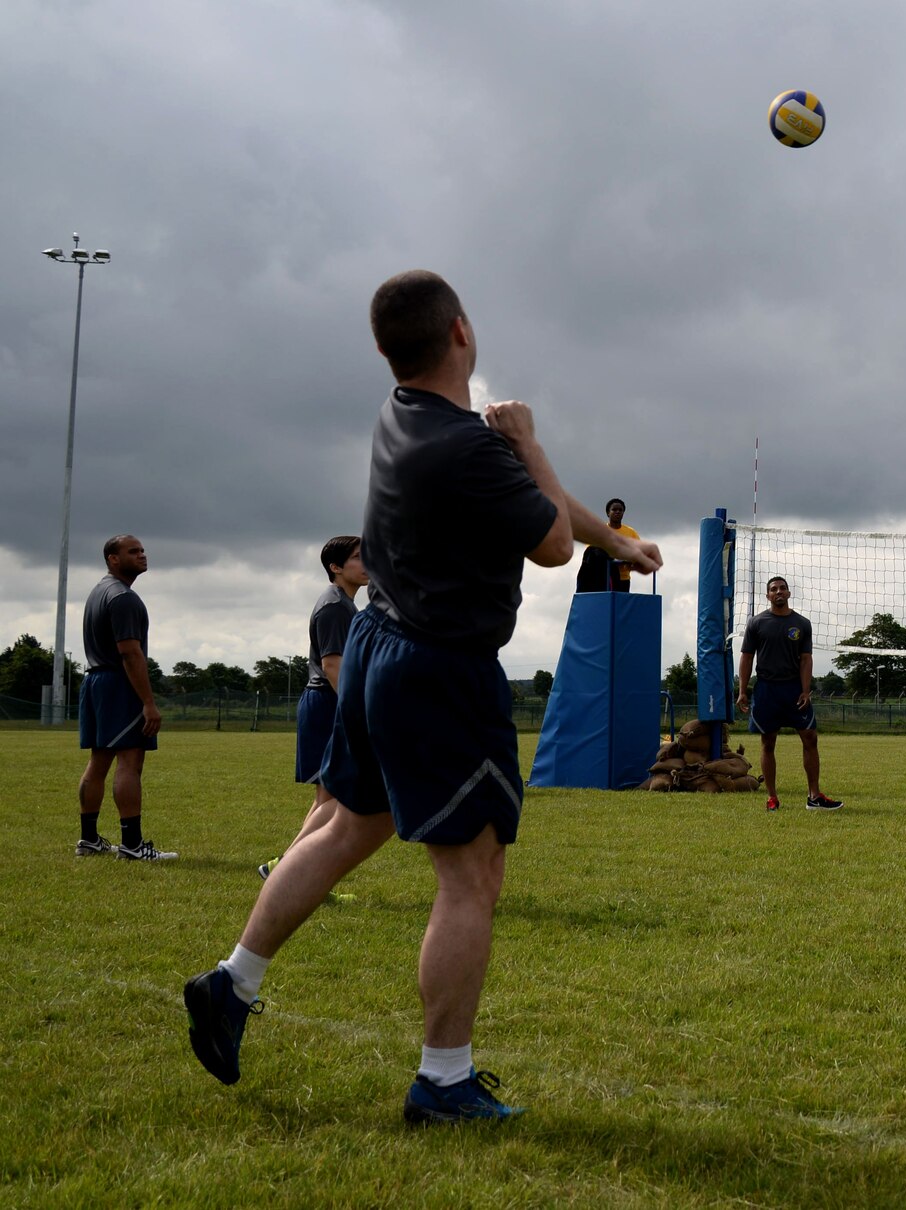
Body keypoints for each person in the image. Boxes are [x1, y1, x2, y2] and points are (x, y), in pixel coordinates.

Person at [181, 269, 662, 1124]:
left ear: (385, 351)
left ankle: (231, 982)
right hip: (441, 669)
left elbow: (538, 511)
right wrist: (532, 443)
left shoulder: (402, 417)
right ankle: (443, 1081)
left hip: (377, 647)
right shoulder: (475, 446)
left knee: (342, 827)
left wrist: (618, 542)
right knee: (472, 875)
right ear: (463, 334)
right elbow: (549, 541)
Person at [256, 536, 369, 888]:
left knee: (329, 797)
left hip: (329, 702)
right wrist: (358, 711)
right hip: (327, 703)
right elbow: (332, 665)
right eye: (356, 558)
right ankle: (287, 872)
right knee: (332, 797)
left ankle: (290, 874)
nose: (366, 562)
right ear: (336, 568)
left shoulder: (345, 604)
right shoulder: (335, 605)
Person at [75, 534, 173, 861]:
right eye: (133, 552)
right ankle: (132, 844)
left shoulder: (98, 592)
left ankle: (88, 839)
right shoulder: (123, 598)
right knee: (130, 761)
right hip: (118, 683)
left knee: (98, 761)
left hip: (94, 681)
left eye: (143, 550)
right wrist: (148, 702)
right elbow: (131, 653)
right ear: (113, 559)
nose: (142, 555)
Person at [736, 576, 842, 811]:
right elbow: (746, 657)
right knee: (768, 742)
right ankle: (772, 797)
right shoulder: (757, 623)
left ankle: (814, 796)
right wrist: (743, 691)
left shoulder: (802, 623)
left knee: (810, 738)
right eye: (774, 589)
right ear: (768, 596)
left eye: (783, 588)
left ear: (789, 593)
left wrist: (806, 690)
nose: (779, 591)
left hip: (793, 689)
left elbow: (806, 659)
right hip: (766, 690)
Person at [603, 498, 640, 592]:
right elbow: (591, 552)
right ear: (608, 513)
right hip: (605, 578)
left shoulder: (631, 532)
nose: (617, 512)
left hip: (624, 579)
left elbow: (639, 552)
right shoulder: (600, 530)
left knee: (621, 605)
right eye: (614, 510)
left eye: (620, 510)